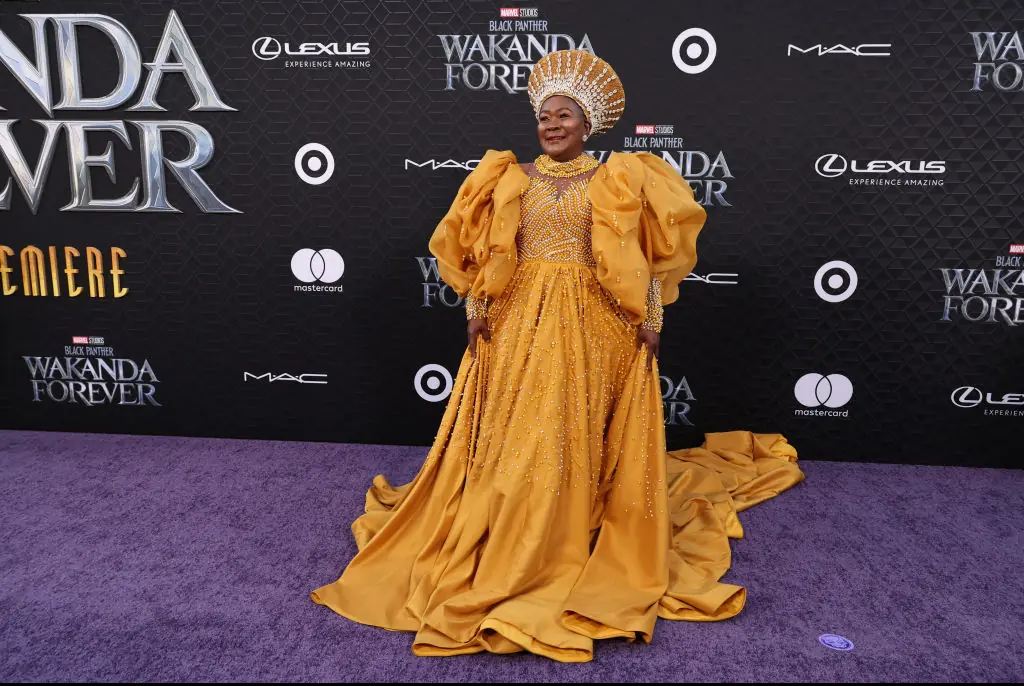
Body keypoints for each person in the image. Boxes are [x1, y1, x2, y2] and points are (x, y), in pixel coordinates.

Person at [311, 49, 805, 663]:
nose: (551, 123)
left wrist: (650, 321)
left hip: (594, 323)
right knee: (517, 434)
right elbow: (487, 252)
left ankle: (571, 523)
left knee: (570, 433)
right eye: (545, 114)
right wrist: (476, 308)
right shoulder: (508, 175)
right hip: (517, 321)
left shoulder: (619, 178)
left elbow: (645, 259)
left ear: (587, 122)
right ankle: (510, 528)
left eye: (564, 114)